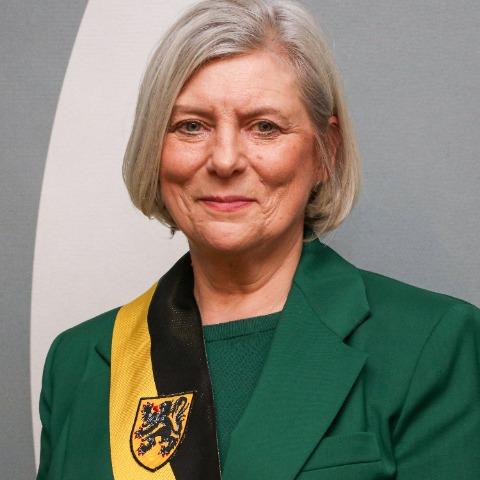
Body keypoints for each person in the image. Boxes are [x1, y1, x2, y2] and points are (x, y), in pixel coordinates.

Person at [36, 0, 480, 479]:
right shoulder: (78, 363)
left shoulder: (431, 344)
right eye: (191, 126)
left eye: (264, 127)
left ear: (326, 151)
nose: (225, 160)